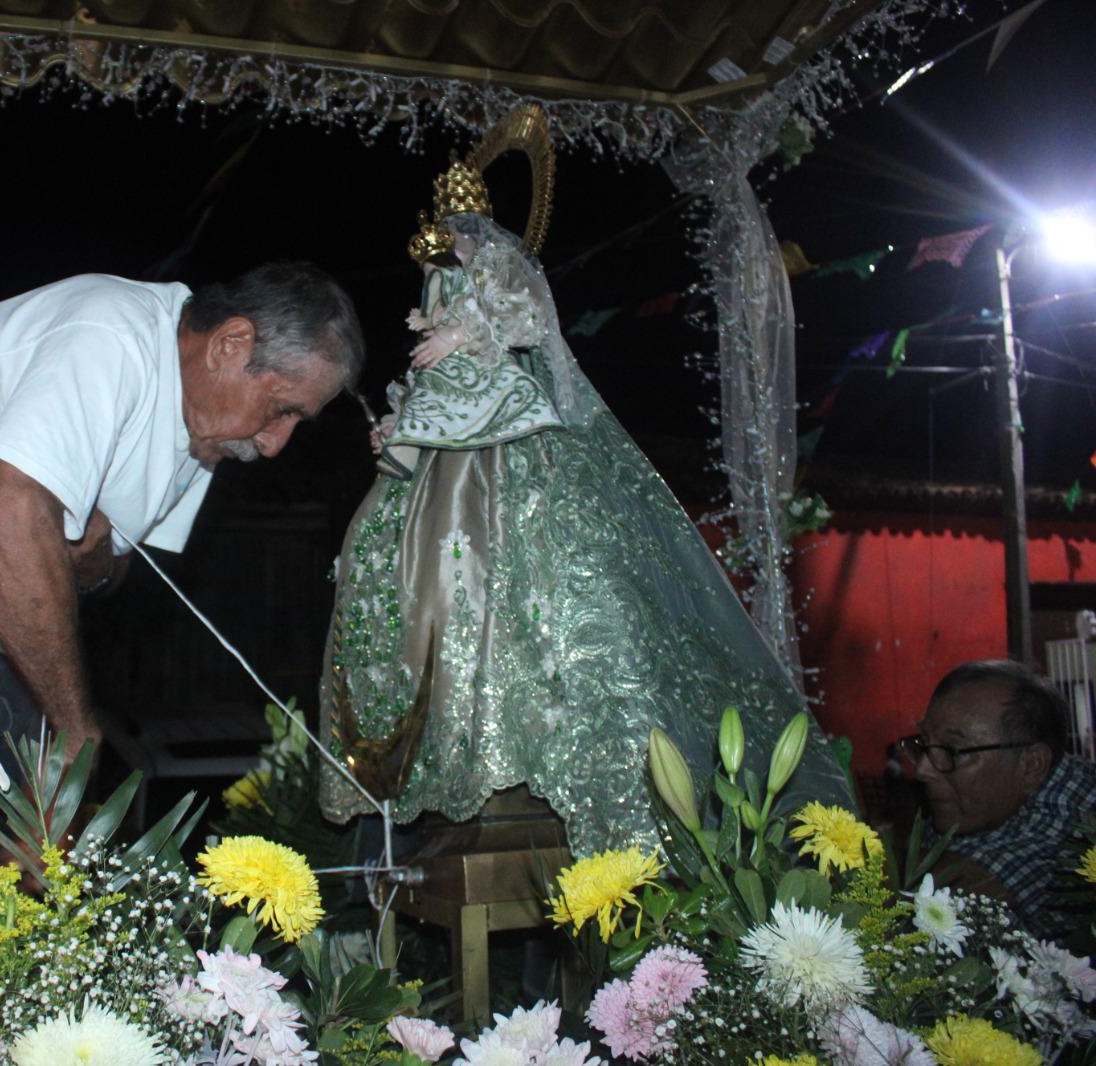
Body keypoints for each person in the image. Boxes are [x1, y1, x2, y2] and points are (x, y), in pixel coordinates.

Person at [319, 136, 849, 853]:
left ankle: (535, 751)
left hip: (506, 427)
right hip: (447, 434)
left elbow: (528, 318)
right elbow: (428, 371)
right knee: (420, 571)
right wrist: (402, 422)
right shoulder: (438, 275)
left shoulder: (498, 265)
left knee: (526, 572)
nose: (445, 247)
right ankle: (457, 749)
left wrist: (465, 333)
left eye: (453, 227)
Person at [0, 264, 363, 784]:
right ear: (230, 344)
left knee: (33, 849)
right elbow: (7, 508)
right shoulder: (109, 332)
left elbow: (106, 571)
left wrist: (92, 560)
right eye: (281, 408)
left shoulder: (204, 432)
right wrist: (75, 727)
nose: (276, 442)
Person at [901, 659, 1096, 938]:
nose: (923, 770)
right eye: (924, 743)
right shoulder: (981, 803)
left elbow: (950, 889)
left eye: (952, 750)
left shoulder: (1077, 818)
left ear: (1031, 766)